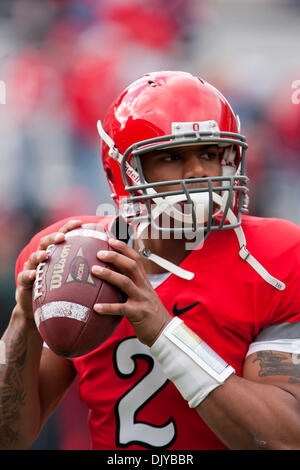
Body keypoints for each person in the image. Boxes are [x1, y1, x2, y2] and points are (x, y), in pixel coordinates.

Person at [1, 70, 300, 450]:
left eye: (210, 153)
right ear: (122, 172)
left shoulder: (274, 256)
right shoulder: (77, 255)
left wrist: (163, 332)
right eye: (173, 157)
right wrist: (22, 324)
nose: (199, 171)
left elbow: (284, 439)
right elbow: (9, 440)